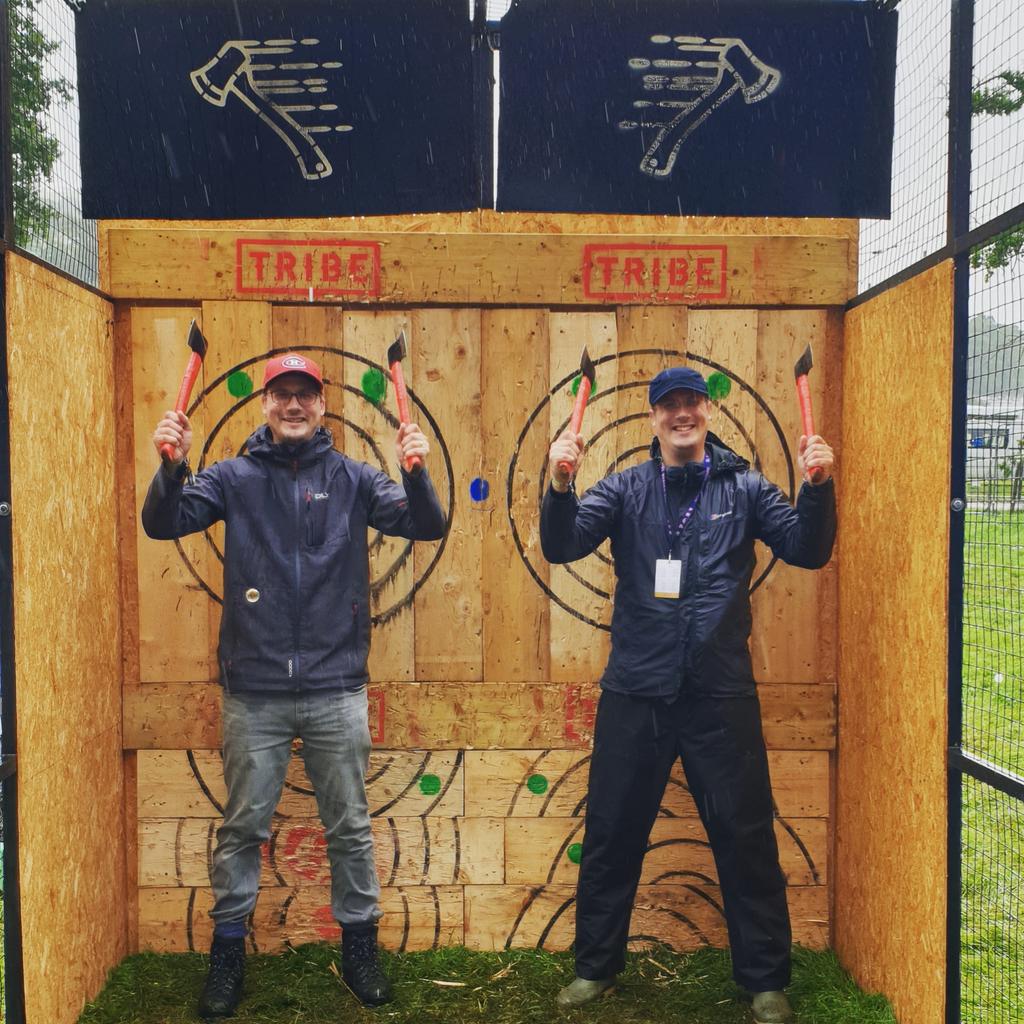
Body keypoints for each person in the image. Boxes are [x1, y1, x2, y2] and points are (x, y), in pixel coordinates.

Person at [142, 352, 445, 1020]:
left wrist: (416, 474)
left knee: (350, 826)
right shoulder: (231, 477)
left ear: (323, 406)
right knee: (243, 827)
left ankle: (359, 950)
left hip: (337, 686)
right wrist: (171, 468)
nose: (295, 405)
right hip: (255, 689)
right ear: (265, 406)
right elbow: (163, 523)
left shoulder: (355, 478)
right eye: (283, 394)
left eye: (306, 395)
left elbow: (425, 524)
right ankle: (227, 957)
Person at [541, 366, 835, 1024]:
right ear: (652, 419)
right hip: (635, 692)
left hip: (719, 694)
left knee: (745, 836)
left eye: (691, 403)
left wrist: (818, 488)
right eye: (668, 405)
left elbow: (807, 550)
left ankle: (764, 980)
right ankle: (595, 969)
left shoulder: (746, 487)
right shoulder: (625, 489)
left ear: (706, 412)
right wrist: (560, 483)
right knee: (613, 834)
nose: (681, 414)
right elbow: (561, 545)